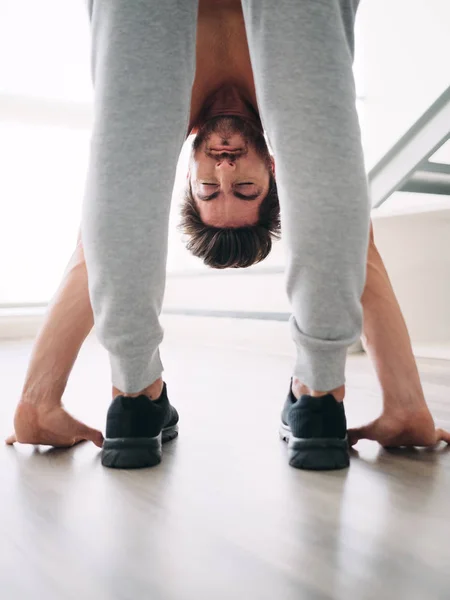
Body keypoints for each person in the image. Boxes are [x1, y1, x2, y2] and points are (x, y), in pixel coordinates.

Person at [6, 0, 450, 469]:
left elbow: (92, 251)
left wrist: (38, 399)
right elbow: (356, 247)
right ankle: (318, 394)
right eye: (244, 189)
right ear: (274, 171)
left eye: (209, 189)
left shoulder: (171, 104)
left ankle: (135, 395)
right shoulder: (285, 102)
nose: (223, 167)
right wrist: (406, 402)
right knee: (331, 192)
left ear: (187, 178)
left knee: (121, 190)